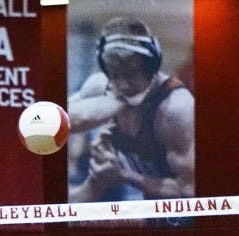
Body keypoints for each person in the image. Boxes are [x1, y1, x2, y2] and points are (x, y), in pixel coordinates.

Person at [67, 17, 194, 204]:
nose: (123, 85)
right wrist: (112, 104)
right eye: (115, 74)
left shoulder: (177, 108)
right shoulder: (103, 85)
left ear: (150, 67)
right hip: (145, 205)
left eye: (131, 74)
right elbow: (59, 120)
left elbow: (189, 190)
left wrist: (123, 175)